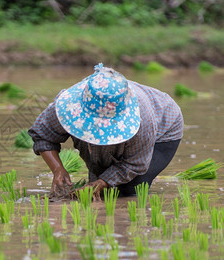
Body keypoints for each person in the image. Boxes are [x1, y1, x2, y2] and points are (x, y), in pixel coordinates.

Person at [28, 63, 183, 201]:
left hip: (163, 131)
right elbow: (42, 134)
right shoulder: (67, 106)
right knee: (98, 190)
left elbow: (134, 164)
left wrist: (102, 182)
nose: (97, 130)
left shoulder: (142, 121)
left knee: (130, 190)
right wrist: (58, 169)